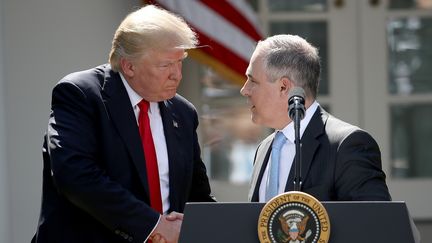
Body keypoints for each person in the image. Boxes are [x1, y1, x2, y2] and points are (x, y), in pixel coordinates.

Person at [31, 5, 215, 243]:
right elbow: (76, 175)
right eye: (165, 65)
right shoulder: (80, 94)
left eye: (180, 62)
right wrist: (153, 225)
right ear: (129, 66)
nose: (177, 74)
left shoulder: (183, 112)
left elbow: (196, 196)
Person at [241, 34, 391, 202]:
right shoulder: (264, 149)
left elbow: (375, 222)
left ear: (284, 87)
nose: (244, 90)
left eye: (252, 80)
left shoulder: (348, 145)